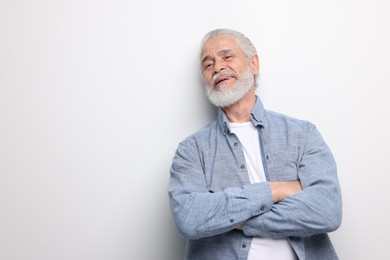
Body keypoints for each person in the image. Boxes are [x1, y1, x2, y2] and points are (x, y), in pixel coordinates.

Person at [168, 28, 342, 260]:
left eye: (227, 56)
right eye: (208, 65)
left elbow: (327, 211)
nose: (218, 67)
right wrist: (276, 190)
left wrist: (234, 219)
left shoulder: (303, 134)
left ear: (254, 64)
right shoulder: (191, 150)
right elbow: (189, 218)